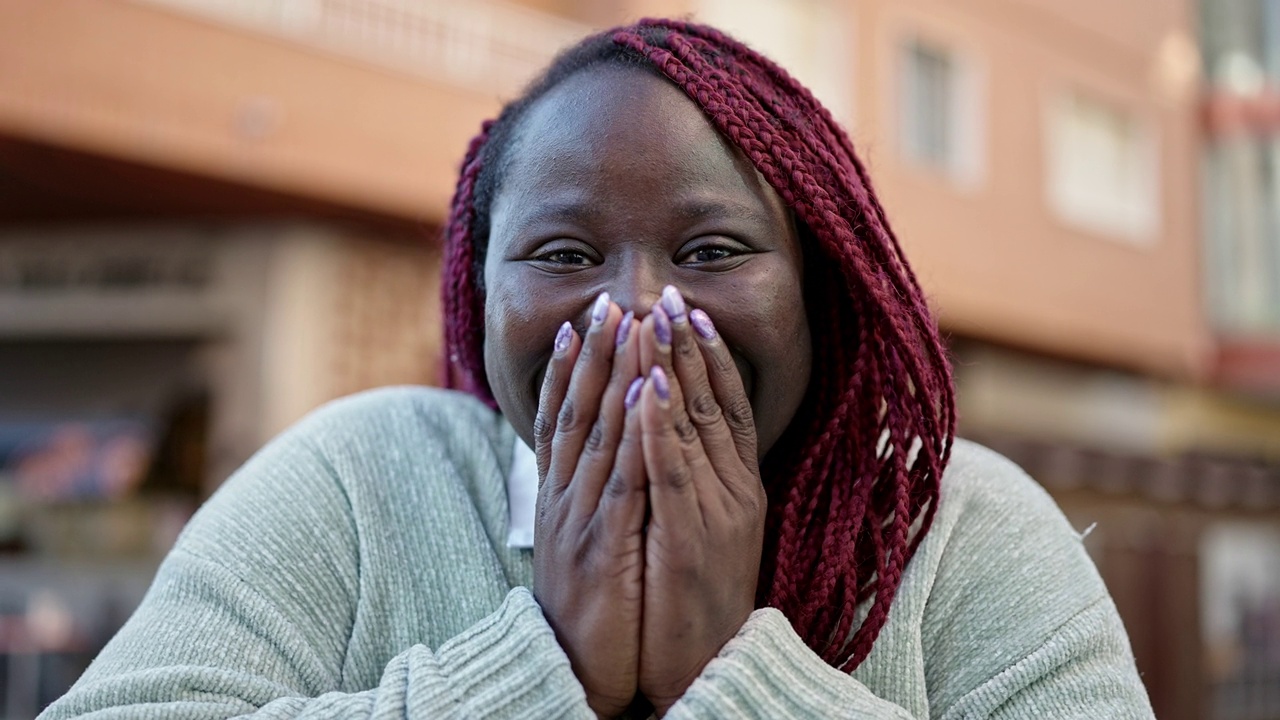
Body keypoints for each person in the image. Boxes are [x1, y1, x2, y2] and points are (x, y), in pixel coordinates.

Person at [41, 18, 1155, 719]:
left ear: (816, 288)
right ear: (479, 299)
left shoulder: (962, 528)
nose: (633, 310)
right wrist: (544, 668)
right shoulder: (356, 480)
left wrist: (733, 672)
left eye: (711, 251)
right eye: (564, 255)